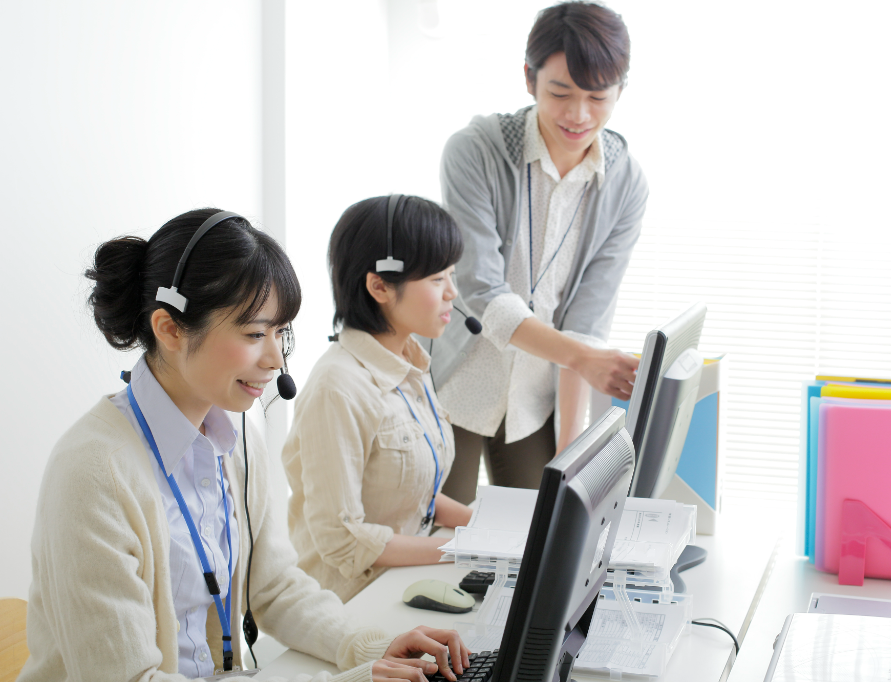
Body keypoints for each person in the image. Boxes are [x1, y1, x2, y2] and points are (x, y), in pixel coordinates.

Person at [18, 208, 469, 682]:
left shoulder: (235, 439)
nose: (276, 359)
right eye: (255, 334)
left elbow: (273, 587)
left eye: (280, 333)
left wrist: (368, 646)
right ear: (169, 328)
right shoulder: (92, 472)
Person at [432, 1, 649, 504]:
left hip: (536, 394)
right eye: (560, 92)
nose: (578, 115)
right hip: (455, 382)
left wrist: (572, 453)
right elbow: (481, 289)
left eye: (598, 97)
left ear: (620, 91)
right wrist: (585, 357)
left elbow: (586, 320)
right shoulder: (475, 151)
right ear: (528, 79)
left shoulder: (626, 183)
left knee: (539, 534)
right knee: (442, 544)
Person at [283, 196, 474, 604]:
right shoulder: (338, 388)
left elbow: (409, 491)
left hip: (404, 580)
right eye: (437, 279)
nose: (452, 294)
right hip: (352, 602)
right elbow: (343, 540)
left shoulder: (409, 365)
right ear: (380, 286)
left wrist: (490, 531)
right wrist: (465, 551)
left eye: (451, 275)